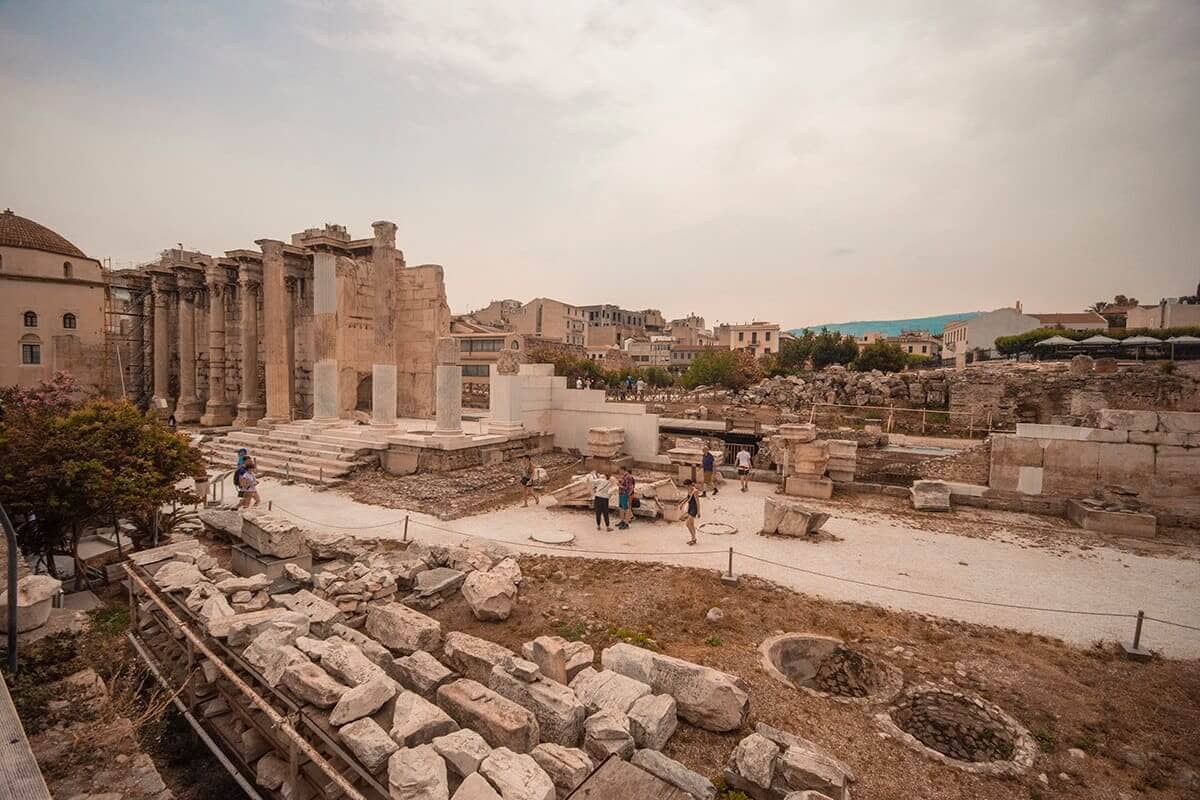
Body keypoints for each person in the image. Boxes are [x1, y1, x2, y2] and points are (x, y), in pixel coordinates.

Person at [683, 479, 700, 545]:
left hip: (694, 508)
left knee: (688, 524)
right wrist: (682, 503)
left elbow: (698, 502)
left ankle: (693, 538)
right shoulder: (689, 489)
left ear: (689, 485)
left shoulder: (695, 491)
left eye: (686, 486)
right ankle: (693, 539)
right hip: (690, 507)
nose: (685, 487)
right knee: (691, 525)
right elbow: (687, 498)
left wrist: (698, 512)